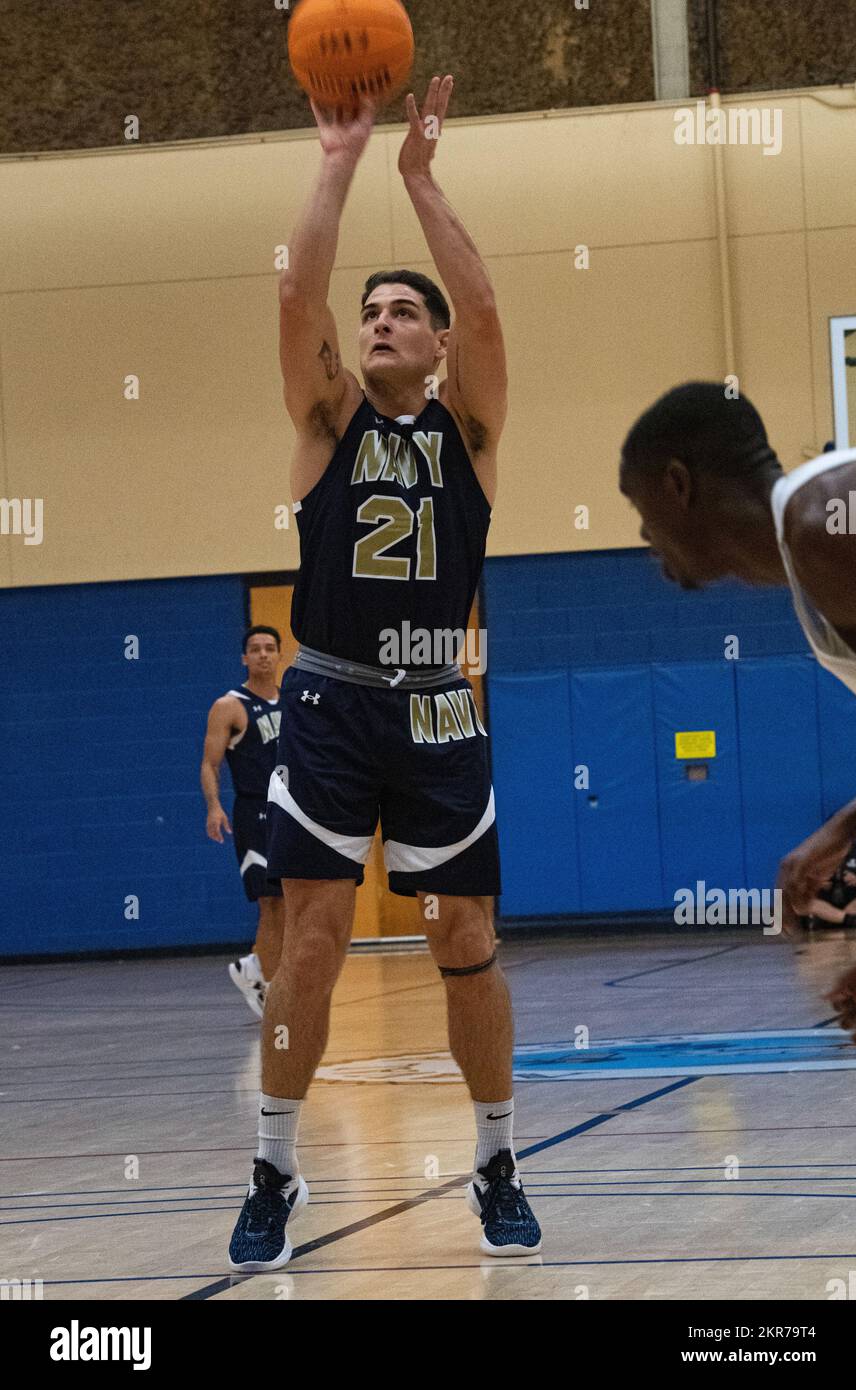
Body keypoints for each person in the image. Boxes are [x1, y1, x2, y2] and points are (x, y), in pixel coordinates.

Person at [228, 77, 540, 1272]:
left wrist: (419, 178)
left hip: (440, 702)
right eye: (373, 312)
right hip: (331, 694)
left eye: (404, 309)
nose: (380, 319)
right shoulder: (326, 420)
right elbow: (296, 291)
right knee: (311, 938)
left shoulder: (469, 432)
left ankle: (495, 1160)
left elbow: (489, 305)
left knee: (463, 933)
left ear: (437, 342)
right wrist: (339, 160)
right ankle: (274, 1169)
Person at [618, 382, 856, 1042]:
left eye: (640, 510)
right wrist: (843, 827)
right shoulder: (813, 551)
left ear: (677, 484)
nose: (646, 540)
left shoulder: (826, 520)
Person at [201, 626, 285, 1017]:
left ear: (280, 655)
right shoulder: (229, 706)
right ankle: (266, 980)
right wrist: (214, 806)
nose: (263, 655)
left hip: (291, 814)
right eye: (255, 649)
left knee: (288, 904)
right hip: (254, 813)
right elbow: (209, 763)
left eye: (270, 648)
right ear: (244, 658)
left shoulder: (293, 702)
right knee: (271, 903)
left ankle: (256, 967)